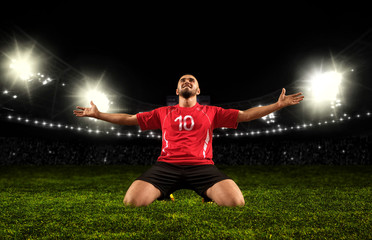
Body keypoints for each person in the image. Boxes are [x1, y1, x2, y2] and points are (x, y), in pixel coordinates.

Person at [73, 74, 304, 207]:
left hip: (202, 167)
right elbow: (129, 118)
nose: (186, 81)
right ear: (176, 89)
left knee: (236, 203)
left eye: (191, 80)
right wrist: (98, 114)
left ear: (198, 89)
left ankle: (205, 192)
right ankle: (165, 191)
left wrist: (278, 105)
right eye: (183, 80)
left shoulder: (211, 111)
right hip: (166, 166)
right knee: (131, 202)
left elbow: (244, 115)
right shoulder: (163, 112)